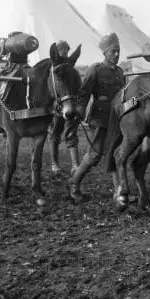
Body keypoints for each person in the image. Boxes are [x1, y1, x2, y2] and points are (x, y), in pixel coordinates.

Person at [68, 33, 125, 202]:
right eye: (113, 51)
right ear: (105, 52)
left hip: (117, 119)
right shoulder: (96, 69)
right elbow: (84, 93)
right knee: (94, 155)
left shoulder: (120, 72)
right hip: (99, 118)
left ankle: (119, 192)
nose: (116, 54)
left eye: (118, 51)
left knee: (116, 153)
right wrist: (79, 110)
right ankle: (73, 183)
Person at [48, 40, 80, 174]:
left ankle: (75, 164)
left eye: (67, 50)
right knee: (54, 133)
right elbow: (48, 89)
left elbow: (77, 86)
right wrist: (53, 102)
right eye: (63, 50)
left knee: (71, 133)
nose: (65, 53)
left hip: (70, 105)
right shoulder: (52, 69)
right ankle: (54, 163)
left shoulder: (71, 68)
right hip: (56, 107)